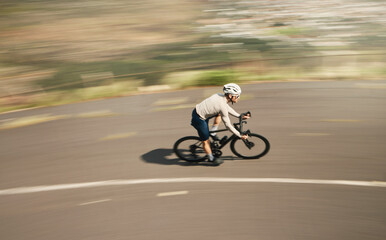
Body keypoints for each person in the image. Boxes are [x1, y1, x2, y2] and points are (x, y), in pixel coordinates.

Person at [191, 83, 250, 166]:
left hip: (201, 112)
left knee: (219, 113)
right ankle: (210, 158)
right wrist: (239, 135)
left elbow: (226, 107)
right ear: (230, 95)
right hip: (199, 119)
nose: (238, 97)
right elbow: (228, 125)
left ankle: (213, 132)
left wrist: (239, 116)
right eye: (237, 96)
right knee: (206, 141)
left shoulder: (220, 96)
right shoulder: (221, 105)